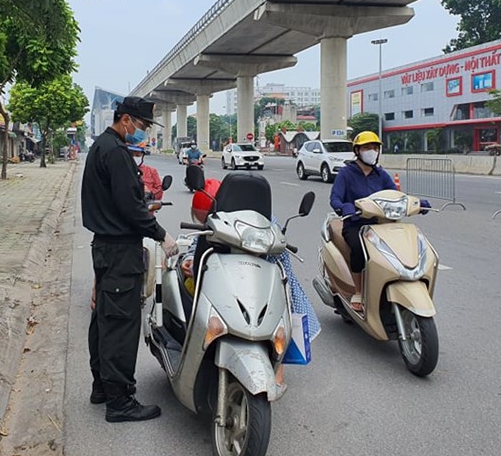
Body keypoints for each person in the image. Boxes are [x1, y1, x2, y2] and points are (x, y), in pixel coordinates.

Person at [81, 96, 179, 423]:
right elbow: (130, 208)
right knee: (121, 327)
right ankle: (120, 401)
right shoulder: (116, 153)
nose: (143, 132)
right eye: (141, 125)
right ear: (125, 120)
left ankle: (102, 387)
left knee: (105, 321)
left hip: (107, 247)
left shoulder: (102, 147)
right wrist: (161, 235)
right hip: (120, 250)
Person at [180, 179, 321, 342]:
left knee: (282, 336)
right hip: (224, 284)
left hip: (263, 283)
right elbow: (198, 241)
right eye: (205, 222)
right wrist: (190, 258)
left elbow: (278, 251)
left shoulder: (262, 221)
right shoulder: (209, 226)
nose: (209, 225)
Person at [330, 131, 429, 312]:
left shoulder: (381, 174)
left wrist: (417, 203)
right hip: (356, 224)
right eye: (367, 147)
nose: (372, 151)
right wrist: (345, 207)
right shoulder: (346, 173)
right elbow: (335, 198)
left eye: (375, 148)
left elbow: (396, 195)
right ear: (358, 151)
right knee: (359, 249)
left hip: (382, 224)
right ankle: (359, 291)